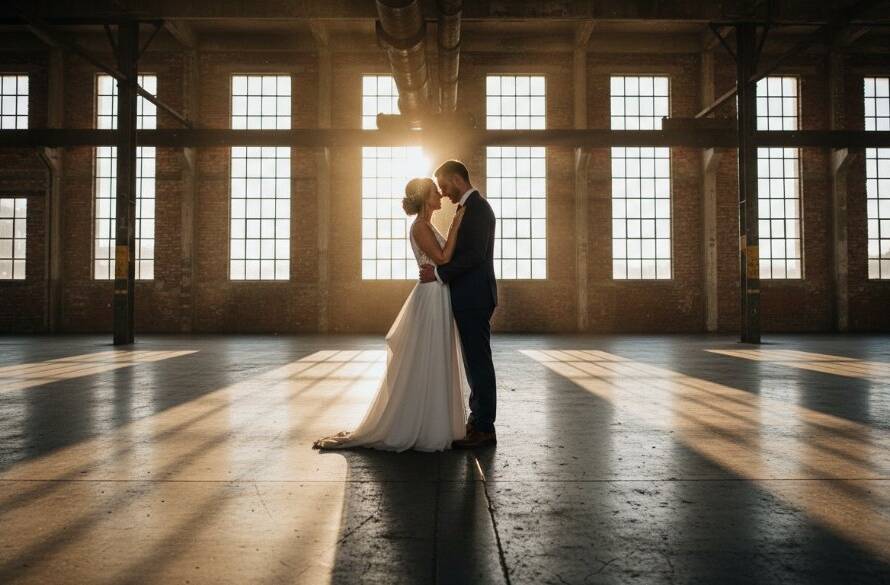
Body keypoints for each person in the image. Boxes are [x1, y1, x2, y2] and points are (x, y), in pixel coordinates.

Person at [313, 177, 468, 452]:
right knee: (427, 356)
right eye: (435, 192)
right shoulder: (420, 226)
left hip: (438, 293)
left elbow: (444, 260)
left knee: (435, 356)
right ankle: (417, 424)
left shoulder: (427, 225)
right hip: (430, 298)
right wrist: (456, 225)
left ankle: (433, 420)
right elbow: (443, 259)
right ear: (424, 197)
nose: (441, 196)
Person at [420, 160, 498, 449]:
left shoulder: (477, 208)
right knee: (474, 362)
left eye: (444, 185)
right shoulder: (469, 208)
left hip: (474, 297)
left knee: (478, 363)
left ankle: (484, 428)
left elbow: (475, 255)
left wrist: (439, 273)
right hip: (470, 296)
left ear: (456, 179)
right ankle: (478, 421)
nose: (443, 192)